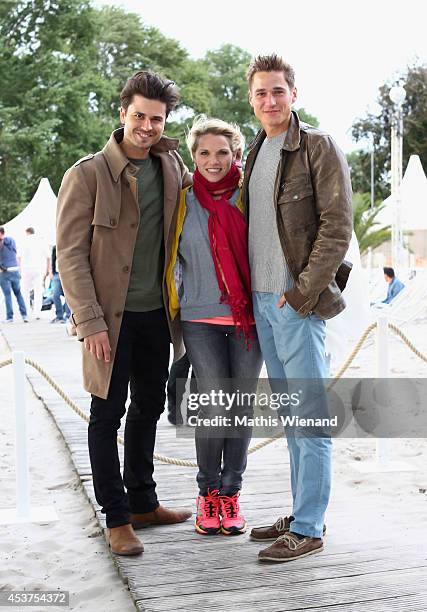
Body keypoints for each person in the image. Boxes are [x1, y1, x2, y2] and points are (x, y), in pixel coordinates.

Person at [57, 70, 193, 557]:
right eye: (139, 116)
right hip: (107, 321)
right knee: (105, 414)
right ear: (122, 113)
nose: (148, 126)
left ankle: (142, 502)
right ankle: (116, 518)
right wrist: (89, 320)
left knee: (149, 407)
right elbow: (69, 255)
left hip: (157, 315)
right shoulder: (87, 174)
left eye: (156, 119)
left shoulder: (173, 167)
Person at [243, 55, 353, 561]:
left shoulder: (317, 146)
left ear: (294, 94)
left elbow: (336, 226)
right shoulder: (257, 152)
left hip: (297, 304)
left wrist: (301, 294)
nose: (271, 100)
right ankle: (300, 511)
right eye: (262, 92)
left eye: (278, 91)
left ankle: (309, 526)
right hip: (263, 304)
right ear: (252, 99)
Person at [166, 116, 263, 536]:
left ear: (236, 155)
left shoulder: (251, 197)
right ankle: (207, 493)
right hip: (199, 319)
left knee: (239, 408)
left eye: (222, 152)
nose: (213, 160)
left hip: (249, 319)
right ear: (193, 157)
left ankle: (231, 495)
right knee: (214, 405)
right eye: (204, 152)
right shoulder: (183, 200)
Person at [20, 227, 50, 319]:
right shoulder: (40, 241)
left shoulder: (24, 241)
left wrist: (20, 270)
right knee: (38, 290)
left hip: (26, 268)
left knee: (25, 291)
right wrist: (48, 269)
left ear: (27, 232)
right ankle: (37, 312)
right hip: (38, 268)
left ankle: (27, 312)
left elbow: (19, 256)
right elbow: (48, 256)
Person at [0, 226, 28, 323]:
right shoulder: (11, 240)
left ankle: (10, 317)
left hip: (5, 272)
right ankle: (25, 315)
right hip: (15, 270)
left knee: (7, 295)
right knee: (18, 293)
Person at [49, 245, 71, 323]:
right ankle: (59, 316)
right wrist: (51, 272)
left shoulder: (70, 245)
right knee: (55, 294)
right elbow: (53, 260)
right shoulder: (55, 247)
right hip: (57, 274)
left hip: (68, 274)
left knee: (68, 296)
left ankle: (68, 316)